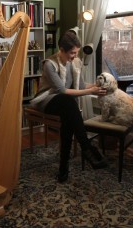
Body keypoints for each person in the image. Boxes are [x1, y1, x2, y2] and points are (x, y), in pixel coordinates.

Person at [30, 31, 107, 183]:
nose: (74, 56)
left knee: (68, 120)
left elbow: (82, 86)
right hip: (46, 100)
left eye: (76, 52)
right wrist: (89, 92)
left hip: (65, 103)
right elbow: (62, 90)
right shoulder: (49, 64)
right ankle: (87, 147)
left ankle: (63, 169)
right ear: (61, 49)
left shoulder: (75, 62)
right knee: (68, 101)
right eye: (72, 53)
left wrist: (97, 87)